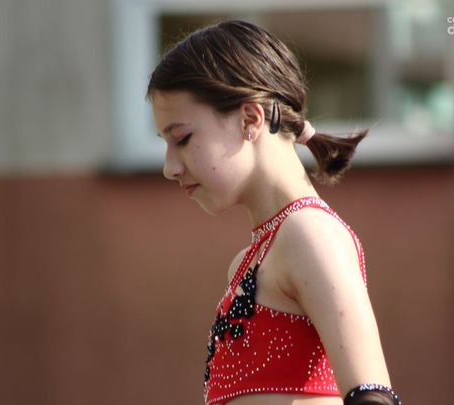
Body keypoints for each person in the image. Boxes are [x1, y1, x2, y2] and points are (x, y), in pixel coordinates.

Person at [147, 20, 401, 405]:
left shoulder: (309, 234)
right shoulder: (252, 259)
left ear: (251, 119)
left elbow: (373, 397)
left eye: (182, 139)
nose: (170, 167)